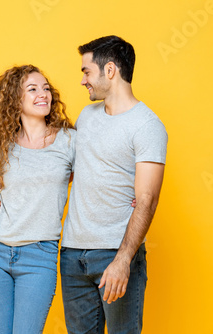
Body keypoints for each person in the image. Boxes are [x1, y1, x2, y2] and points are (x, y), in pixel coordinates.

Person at [60, 35, 168, 333]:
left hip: (115, 253)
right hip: (72, 254)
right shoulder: (86, 115)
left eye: (86, 71)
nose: (83, 81)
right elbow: (70, 169)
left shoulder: (146, 126)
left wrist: (123, 261)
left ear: (110, 70)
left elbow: (147, 199)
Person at [0, 64, 75, 333]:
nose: (43, 94)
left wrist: (130, 194)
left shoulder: (69, 141)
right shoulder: (2, 145)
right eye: (33, 89)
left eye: (46, 88)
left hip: (39, 256)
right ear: (15, 99)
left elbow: (95, 180)